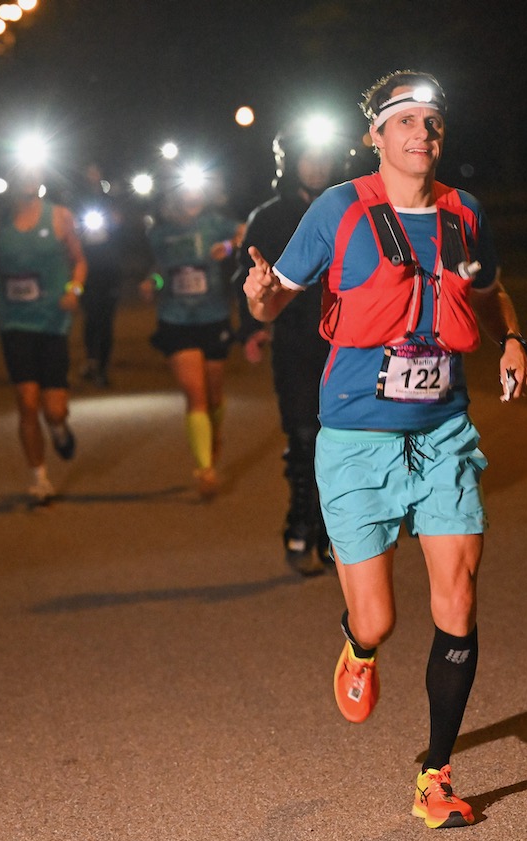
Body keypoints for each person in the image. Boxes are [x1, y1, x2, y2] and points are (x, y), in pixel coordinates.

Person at [242, 70, 527, 829]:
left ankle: (435, 774)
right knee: (379, 619)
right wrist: (258, 295)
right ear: (375, 135)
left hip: (443, 432)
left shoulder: (464, 211)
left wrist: (510, 337)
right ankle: (358, 647)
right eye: (405, 122)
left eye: (432, 123)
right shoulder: (338, 210)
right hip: (356, 438)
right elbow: (281, 294)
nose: (421, 135)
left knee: (459, 602)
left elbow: (491, 286)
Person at [233, 118, 348, 575]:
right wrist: (252, 327)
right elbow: (249, 277)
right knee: (303, 435)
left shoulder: (352, 208)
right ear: (291, 163)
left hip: (348, 342)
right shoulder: (270, 216)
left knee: (341, 441)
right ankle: (300, 520)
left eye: (324, 158)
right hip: (297, 341)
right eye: (308, 158)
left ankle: (332, 532)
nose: (316, 167)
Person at [0, 164, 87, 504]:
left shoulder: (61, 217)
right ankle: (38, 478)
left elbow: (80, 261)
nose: (29, 180)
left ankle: (60, 430)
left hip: (52, 322)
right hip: (15, 323)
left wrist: (74, 289)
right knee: (26, 402)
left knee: (53, 410)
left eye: (34, 173)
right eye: (22, 174)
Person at [139, 169, 244, 499]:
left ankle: (213, 438)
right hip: (176, 319)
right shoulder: (160, 232)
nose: (192, 195)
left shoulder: (216, 223)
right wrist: (151, 282)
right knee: (194, 394)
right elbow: (161, 270)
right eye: (185, 189)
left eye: (198, 189)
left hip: (213, 317)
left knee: (213, 394)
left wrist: (227, 247)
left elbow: (247, 233)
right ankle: (204, 470)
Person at [73, 163, 129, 388]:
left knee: (106, 320)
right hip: (88, 271)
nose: (92, 177)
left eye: (96, 172)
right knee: (91, 317)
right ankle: (91, 360)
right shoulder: (76, 202)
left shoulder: (110, 201)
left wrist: (117, 223)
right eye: (89, 173)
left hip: (109, 271)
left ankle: (103, 367)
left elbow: (124, 233)